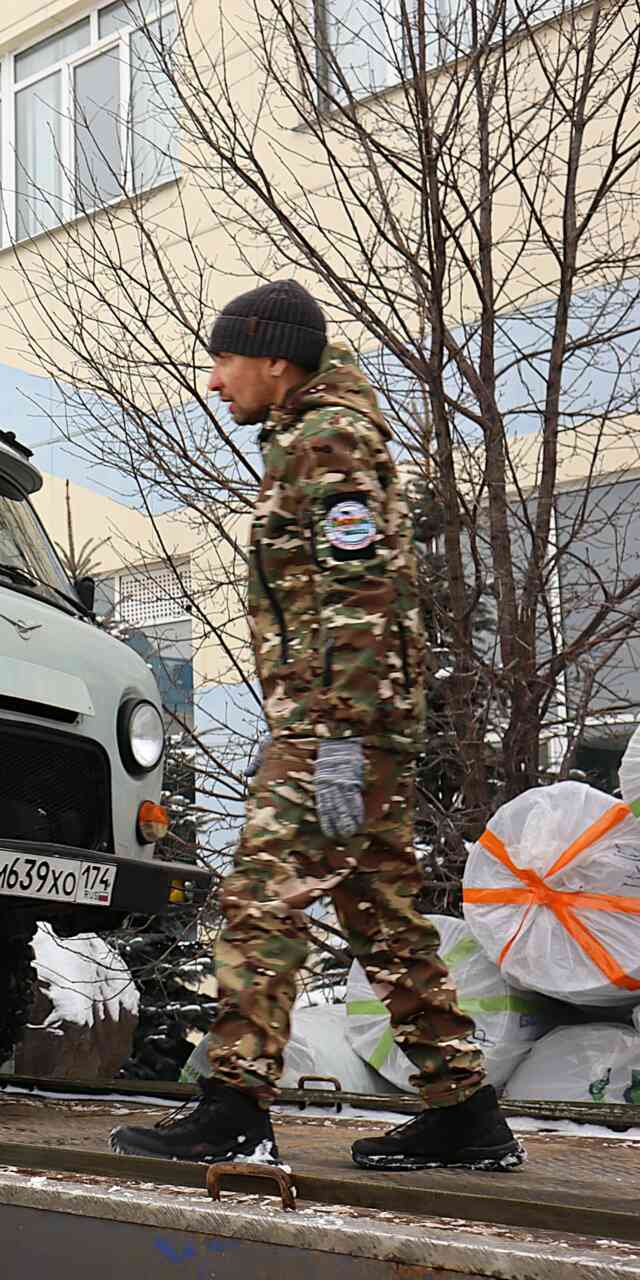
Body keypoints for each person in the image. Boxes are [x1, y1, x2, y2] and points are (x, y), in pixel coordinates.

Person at [109, 280, 524, 1172]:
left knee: (262, 902)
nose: (214, 383)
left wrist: (333, 740)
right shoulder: (311, 436)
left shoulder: (328, 442)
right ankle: (464, 1113)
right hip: (349, 725)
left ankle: (234, 1108)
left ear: (273, 358)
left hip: (340, 728)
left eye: (223, 361)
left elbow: (361, 598)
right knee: (382, 920)